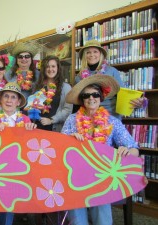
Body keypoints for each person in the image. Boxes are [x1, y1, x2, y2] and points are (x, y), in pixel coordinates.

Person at [61, 75, 139, 225]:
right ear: (82, 99)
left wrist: (126, 150)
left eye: (95, 94)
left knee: (103, 219)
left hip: (102, 174)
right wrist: (70, 139)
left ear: (101, 97)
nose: (91, 98)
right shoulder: (72, 119)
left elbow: (133, 148)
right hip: (76, 174)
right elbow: (60, 148)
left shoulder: (112, 121)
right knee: (77, 220)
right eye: (86, 95)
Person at [0, 82, 36, 225]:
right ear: (0, 100)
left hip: (14, 170)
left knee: (8, 205)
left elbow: (29, 145)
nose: (9, 100)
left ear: (18, 102)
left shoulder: (24, 119)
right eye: (6, 96)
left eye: (13, 97)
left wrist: (30, 129)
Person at [76, 39, 145, 118]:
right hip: (88, 117)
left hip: (111, 116)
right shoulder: (79, 77)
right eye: (88, 52)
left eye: (95, 51)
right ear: (84, 56)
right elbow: (78, 101)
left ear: (100, 54)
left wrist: (138, 102)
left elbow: (122, 93)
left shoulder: (111, 71)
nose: (92, 55)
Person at [33, 55, 73, 131]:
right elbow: (33, 106)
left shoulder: (66, 87)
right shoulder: (38, 86)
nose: (50, 69)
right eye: (47, 66)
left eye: (53, 66)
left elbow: (67, 110)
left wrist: (51, 120)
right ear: (44, 69)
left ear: (58, 68)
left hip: (54, 128)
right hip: (37, 127)